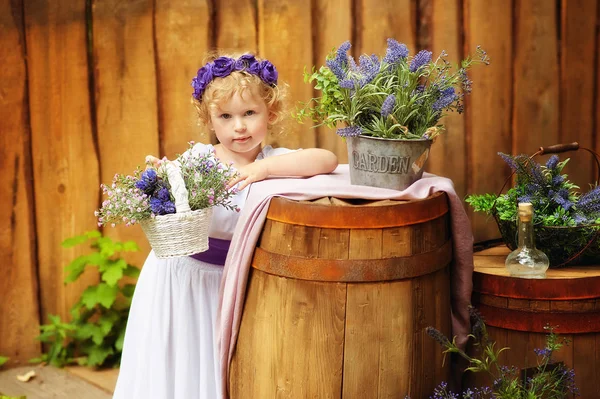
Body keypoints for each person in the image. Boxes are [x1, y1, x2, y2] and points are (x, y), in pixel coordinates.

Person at [113, 53, 338, 399]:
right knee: (186, 356)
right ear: (209, 119)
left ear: (271, 113)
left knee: (227, 363)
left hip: (235, 279)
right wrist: (163, 177)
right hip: (184, 276)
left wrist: (261, 171)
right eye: (226, 116)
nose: (240, 127)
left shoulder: (274, 161)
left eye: (250, 113)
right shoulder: (200, 159)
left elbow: (327, 160)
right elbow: (174, 188)